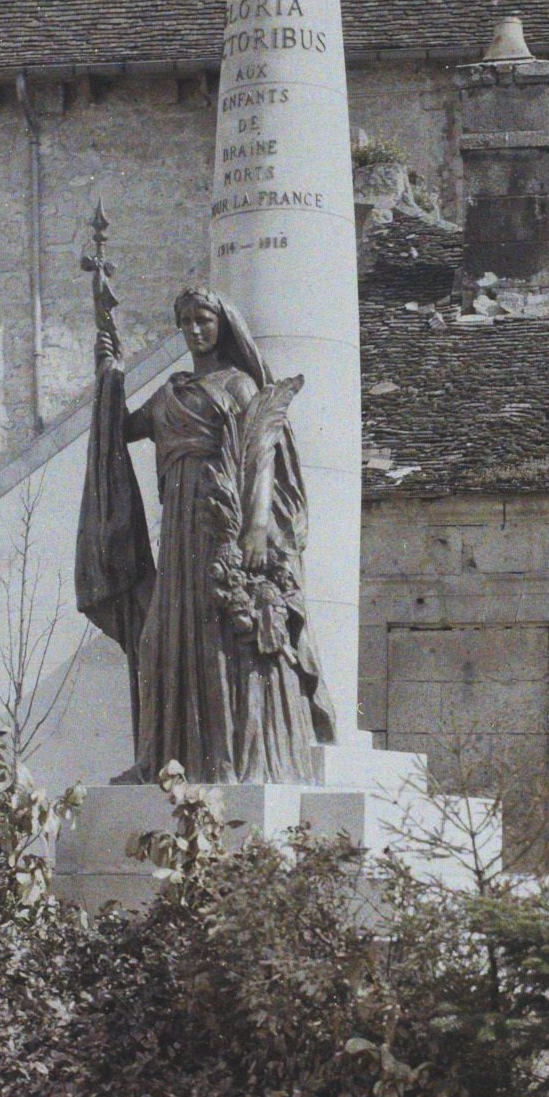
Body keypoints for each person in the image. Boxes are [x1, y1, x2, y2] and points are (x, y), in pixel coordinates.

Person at [79, 285, 336, 784]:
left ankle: (227, 756)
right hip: (178, 532)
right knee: (163, 637)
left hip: (222, 522)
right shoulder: (171, 393)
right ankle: (166, 756)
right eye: (188, 322)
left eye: (205, 320)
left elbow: (263, 454)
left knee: (222, 640)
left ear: (223, 324)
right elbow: (121, 430)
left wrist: (258, 527)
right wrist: (110, 373)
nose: (196, 330)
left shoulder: (239, 385)